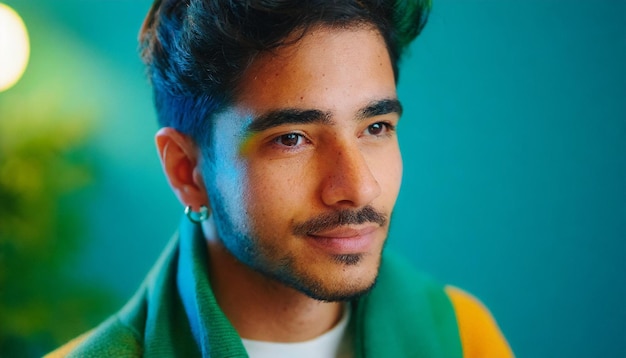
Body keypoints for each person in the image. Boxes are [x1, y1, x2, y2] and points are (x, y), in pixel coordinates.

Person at [49, 0, 513, 356]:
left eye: (376, 127)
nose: (359, 187)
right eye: (291, 138)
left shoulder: (463, 336)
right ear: (186, 171)